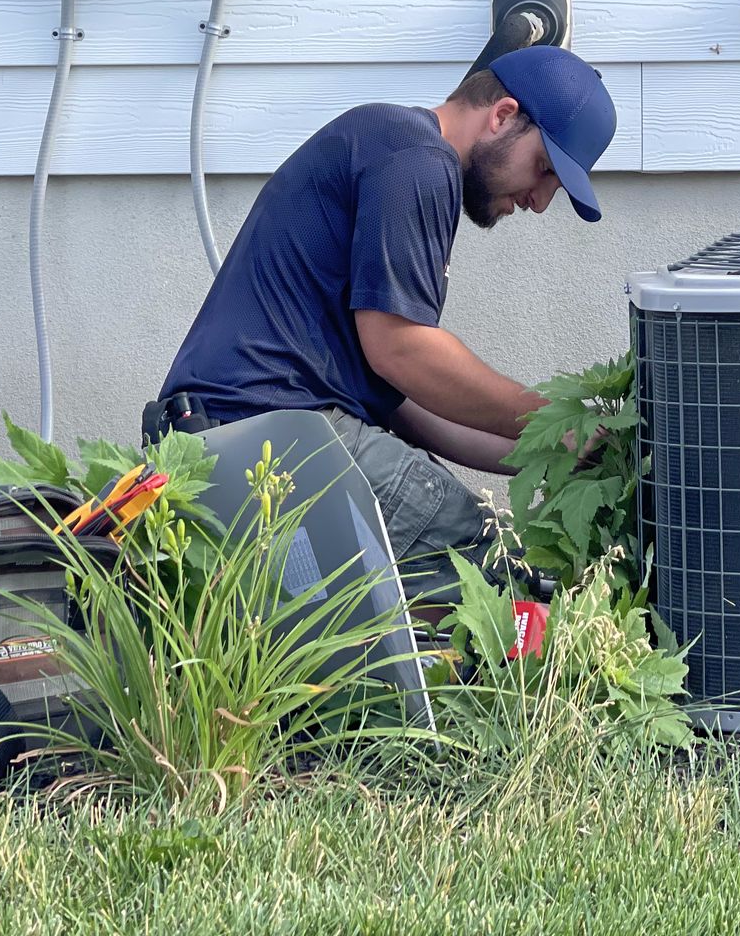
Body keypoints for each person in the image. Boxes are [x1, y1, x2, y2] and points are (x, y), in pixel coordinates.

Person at [146, 44, 617, 594]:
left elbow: (408, 403)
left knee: (373, 634)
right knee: (498, 589)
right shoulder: (416, 158)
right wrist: (559, 423)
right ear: (503, 115)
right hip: (269, 432)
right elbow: (404, 351)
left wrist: (551, 453)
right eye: (543, 170)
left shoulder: (394, 148)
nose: (539, 201)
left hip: (221, 436)